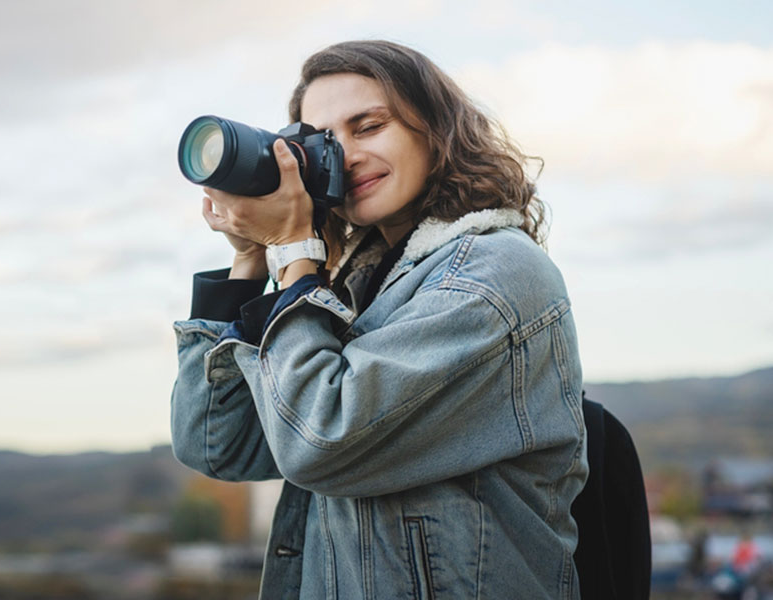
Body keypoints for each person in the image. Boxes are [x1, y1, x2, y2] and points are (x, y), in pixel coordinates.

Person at [171, 40, 587, 599]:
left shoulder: (492, 275)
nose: (346, 156)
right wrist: (249, 259)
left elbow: (319, 441)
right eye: (324, 142)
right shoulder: (353, 286)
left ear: (435, 130)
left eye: (368, 127)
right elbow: (216, 444)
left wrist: (294, 251)